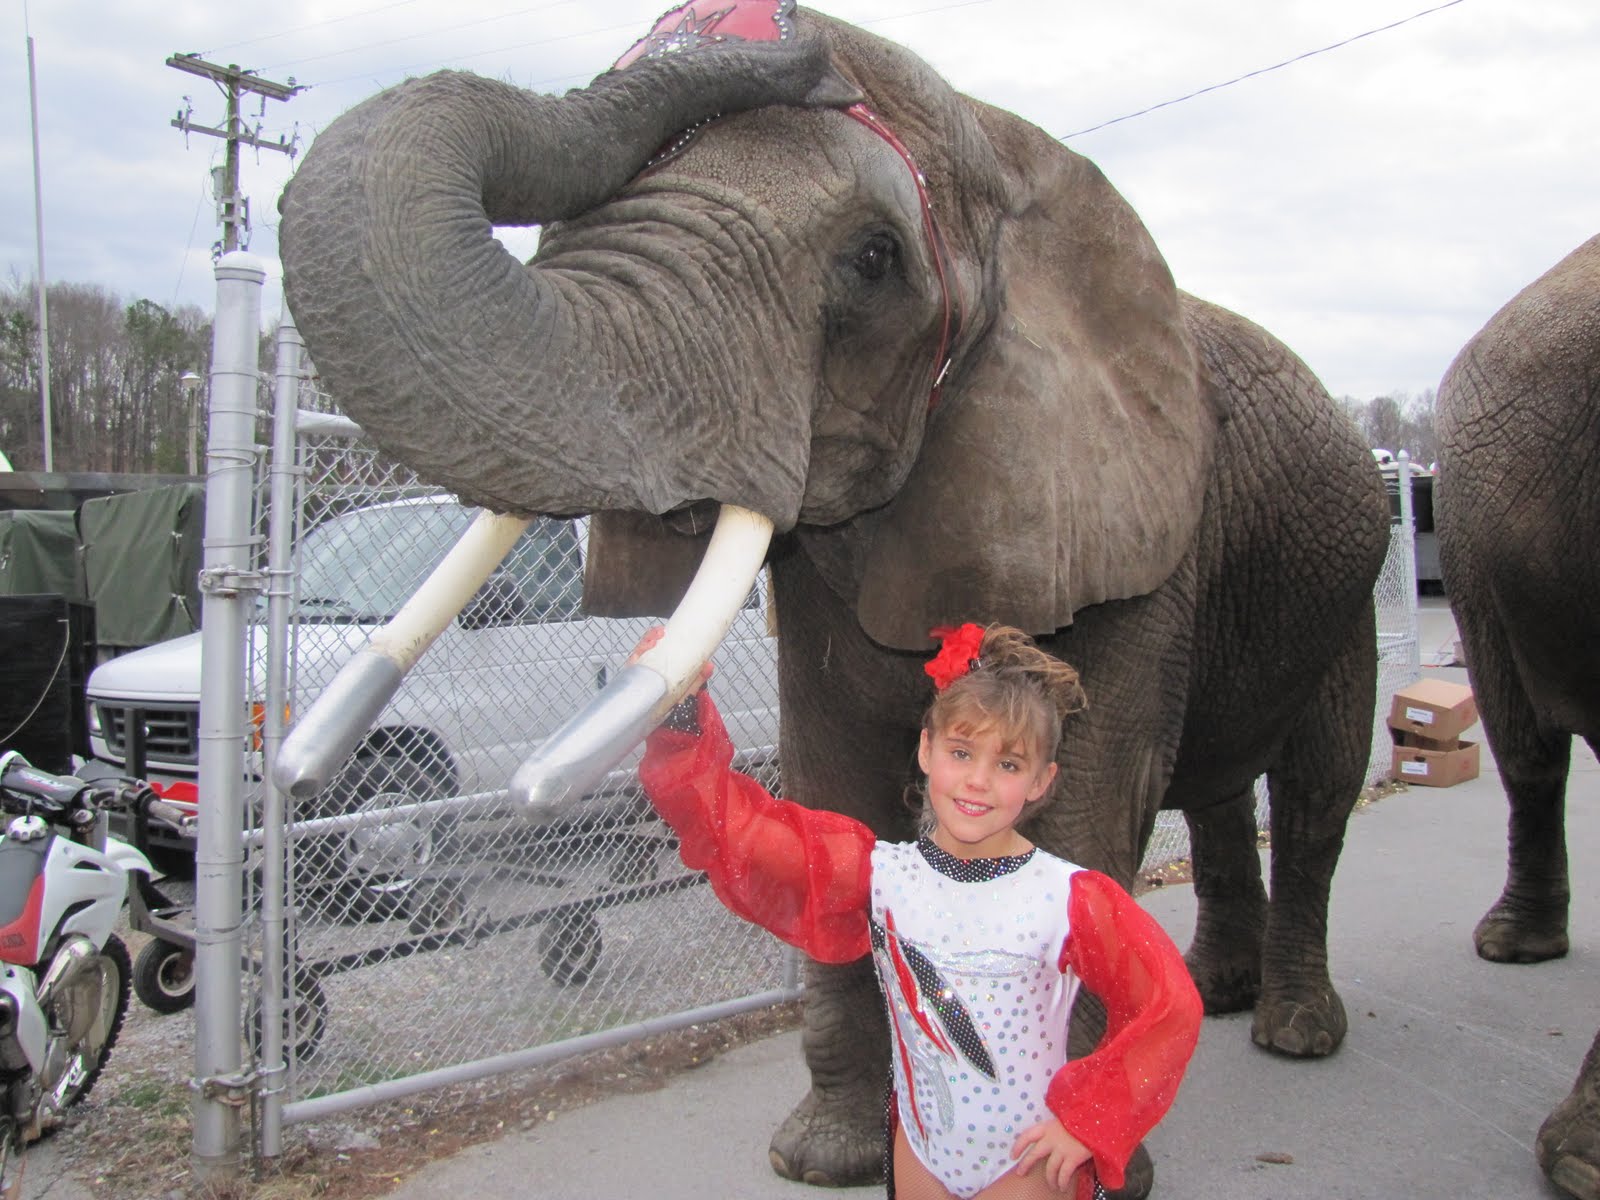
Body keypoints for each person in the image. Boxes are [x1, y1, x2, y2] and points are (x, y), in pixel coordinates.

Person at [636, 622, 1202, 1200]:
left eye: (1009, 765)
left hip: (1025, 1164)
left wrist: (1090, 1121)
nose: (978, 781)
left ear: (1041, 780)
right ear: (927, 751)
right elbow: (744, 832)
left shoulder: (1072, 897)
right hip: (921, 1153)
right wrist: (679, 713)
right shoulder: (879, 875)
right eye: (961, 752)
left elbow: (1170, 1006)